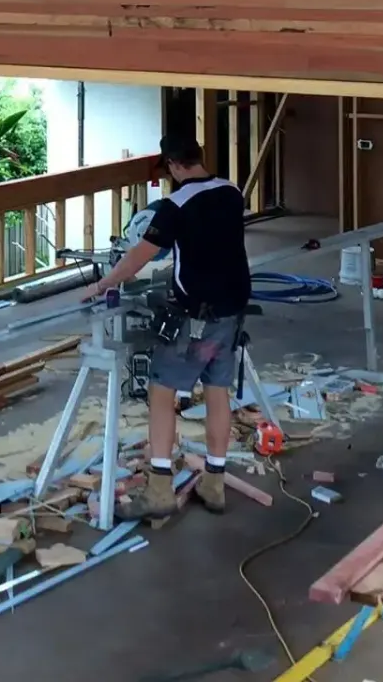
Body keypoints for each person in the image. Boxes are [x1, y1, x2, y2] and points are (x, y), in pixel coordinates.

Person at [81, 132, 250, 517]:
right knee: (217, 390)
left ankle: (158, 491)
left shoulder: (175, 206)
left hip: (197, 317)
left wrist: (104, 283)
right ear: (200, 157)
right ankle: (215, 483)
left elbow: (139, 257)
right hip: (231, 311)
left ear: (173, 165)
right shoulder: (231, 192)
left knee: (161, 392)